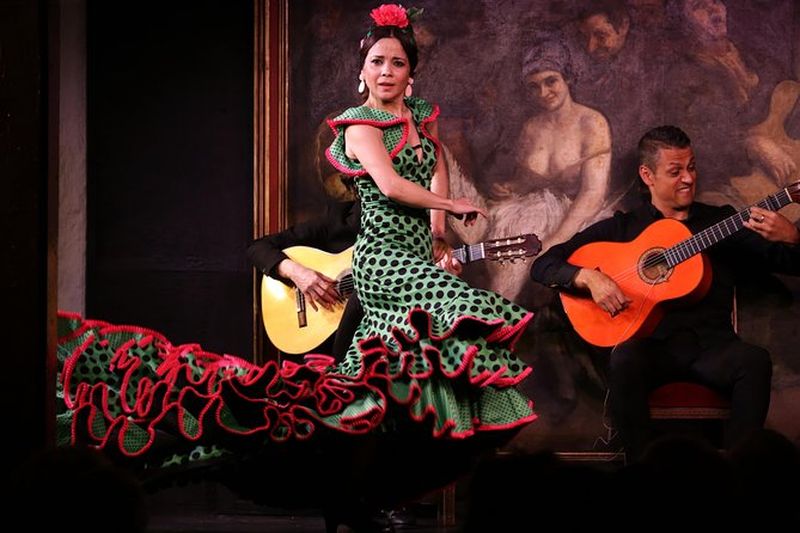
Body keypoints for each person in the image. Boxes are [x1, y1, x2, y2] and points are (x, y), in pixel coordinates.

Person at [531, 125, 800, 461]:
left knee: (754, 361)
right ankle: (643, 474)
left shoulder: (722, 223)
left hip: (712, 349)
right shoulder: (622, 228)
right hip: (652, 350)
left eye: (692, 167)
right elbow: (544, 265)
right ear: (648, 175)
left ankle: (736, 476)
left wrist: (793, 238)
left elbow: (790, 263)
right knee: (625, 358)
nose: (688, 178)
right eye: (675, 171)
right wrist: (587, 277)